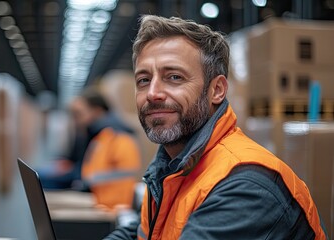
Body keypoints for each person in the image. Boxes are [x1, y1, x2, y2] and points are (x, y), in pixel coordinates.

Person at [105, 15, 327, 239]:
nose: (153, 93)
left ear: (217, 90)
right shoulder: (171, 168)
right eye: (143, 80)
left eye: (174, 77)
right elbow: (143, 231)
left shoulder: (246, 186)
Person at [42, 88, 142, 210]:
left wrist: (77, 179)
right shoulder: (96, 133)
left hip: (107, 202)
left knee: (41, 179)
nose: (75, 120)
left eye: (78, 114)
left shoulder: (114, 136)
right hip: (96, 192)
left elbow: (95, 173)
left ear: (97, 111)